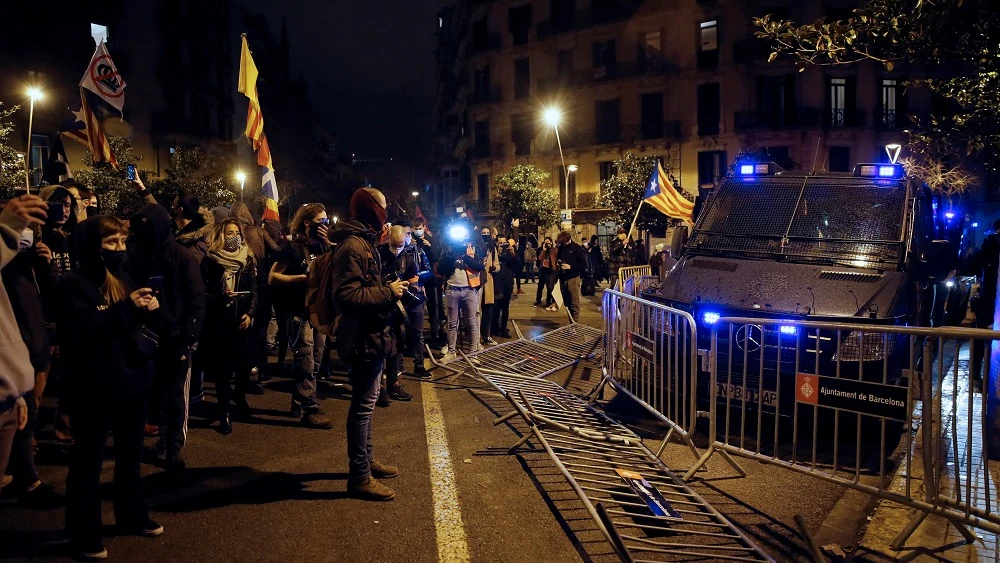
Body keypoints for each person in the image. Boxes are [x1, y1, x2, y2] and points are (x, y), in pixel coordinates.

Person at [57, 215, 163, 560]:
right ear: (92, 246)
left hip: (132, 382)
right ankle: (83, 533)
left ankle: (131, 515)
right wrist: (126, 310)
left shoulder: (123, 277)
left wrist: (149, 309)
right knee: (88, 463)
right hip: (94, 387)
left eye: (121, 242)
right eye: (111, 243)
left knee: (130, 458)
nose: (119, 249)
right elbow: (83, 331)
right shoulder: (71, 284)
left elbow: (131, 324)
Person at [330, 188, 409, 501]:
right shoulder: (352, 246)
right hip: (362, 337)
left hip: (371, 335)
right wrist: (389, 292)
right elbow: (347, 296)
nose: (386, 213)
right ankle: (359, 475)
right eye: (383, 207)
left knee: (368, 402)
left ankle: (367, 460)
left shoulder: (363, 242)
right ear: (372, 209)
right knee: (362, 406)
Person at [126, 203, 206, 471]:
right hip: (145, 337)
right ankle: (154, 439)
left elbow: (196, 298)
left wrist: (188, 336)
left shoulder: (181, 257)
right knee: (150, 393)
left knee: (175, 396)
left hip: (175, 338)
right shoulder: (136, 256)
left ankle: (173, 446)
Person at [0, 220, 61, 507]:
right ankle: (24, 479)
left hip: (36, 351)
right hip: (17, 359)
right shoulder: (6, 268)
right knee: (18, 421)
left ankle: (24, 477)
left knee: (28, 419)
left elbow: (51, 297)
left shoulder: (30, 265)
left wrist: (46, 265)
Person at [269, 203, 334, 429]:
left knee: (314, 360)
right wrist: (301, 279)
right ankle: (309, 409)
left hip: (319, 311)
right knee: (304, 358)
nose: (325, 226)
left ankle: (299, 401)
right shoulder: (293, 248)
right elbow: (273, 277)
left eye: (327, 221)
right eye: (321, 221)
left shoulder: (326, 248)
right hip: (297, 311)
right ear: (307, 223)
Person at [201, 220, 258, 435]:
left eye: (236, 232)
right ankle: (224, 411)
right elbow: (204, 294)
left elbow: (253, 290)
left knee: (245, 366)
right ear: (221, 235)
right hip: (220, 323)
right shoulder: (210, 261)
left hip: (242, 322)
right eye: (229, 232)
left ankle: (240, 395)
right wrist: (220, 297)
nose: (233, 236)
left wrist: (250, 313)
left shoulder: (247, 259)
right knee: (223, 371)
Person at [229, 202, 279, 387]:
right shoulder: (258, 231)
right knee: (261, 328)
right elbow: (277, 250)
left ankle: (243, 368)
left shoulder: (230, 232)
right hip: (262, 286)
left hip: (240, 287)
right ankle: (261, 367)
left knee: (242, 328)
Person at [377, 226, 418, 407]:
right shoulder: (377, 255)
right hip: (377, 308)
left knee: (395, 348)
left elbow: (415, 282)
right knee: (379, 349)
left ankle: (393, 385)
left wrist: (405, 287)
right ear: (388, 240)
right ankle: (379, 389)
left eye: (400, 246)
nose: (397, 249)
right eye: (394, 245)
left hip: (397, 310)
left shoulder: (407, 259)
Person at [438, 226, 485, 362]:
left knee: (472, 322)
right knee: (452, 323)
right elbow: (441, 269)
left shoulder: (474, 248)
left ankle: (473, 353)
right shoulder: (447, 249)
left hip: (469, 290)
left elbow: (479, 266)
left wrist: (465, 256)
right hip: (452, 290)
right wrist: (452, 256)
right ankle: (451, 351)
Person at [399, 222, 432, 379]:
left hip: (416, 296)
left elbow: (429, 271)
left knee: (418, 333)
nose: (406, 237)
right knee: (397, 332)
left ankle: (419, 365)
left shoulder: (418, 251)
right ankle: (397, 367)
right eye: (404, 234)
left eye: (408, 234)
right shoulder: (391, 252)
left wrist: (417, 276)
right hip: (398, 297)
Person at [412, 219, 443, 344]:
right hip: (415, 276)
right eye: (415, 227)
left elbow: (436, 258)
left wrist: (429, 248)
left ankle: (434, 333)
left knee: (433, 305)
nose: (417, 230)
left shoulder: (431, 240)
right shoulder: (411, 239)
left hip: (430, 277)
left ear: (424, 227)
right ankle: (415, 335)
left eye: (419, 227)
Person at [38, 185, 77, 276]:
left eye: (67, 205)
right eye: (57, 205)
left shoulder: (73, 239)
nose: (63, 210)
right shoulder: (34, 240)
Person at [171, 193, 214, 264]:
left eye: (173, 205)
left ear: (180, 210)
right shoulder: (174, 227)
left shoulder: (197, 239)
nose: (171, 207)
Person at [556, 231, 589, 321]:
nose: (564, 244)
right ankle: (571, 322)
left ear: (568, 239)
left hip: (573, 277)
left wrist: (571, 267)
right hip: (563, 277)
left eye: (565, 242)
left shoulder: (577, 248)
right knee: (567, 302)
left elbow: (583, 264)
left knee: (574, 302)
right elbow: (559, 257)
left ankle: (575, 324)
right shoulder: (562, 248)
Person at [494, 235, 519, 338]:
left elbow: (518, 265)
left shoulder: (509, 253)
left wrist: (513, 253)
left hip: (507, 284)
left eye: (504, 243)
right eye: (500, 243)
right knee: (496, 308)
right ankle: (494, 328)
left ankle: (503, 328)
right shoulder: (494, 252)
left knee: (505, 308)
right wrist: (498, 252)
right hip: (497, 284)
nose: (502, 245)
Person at [479, 227, 499, 346]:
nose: (485, 235)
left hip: (489, 282)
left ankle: (486, 335)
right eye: (483, 233)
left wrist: (495, 267)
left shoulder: (492, 248)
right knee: (476, 312)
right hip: (477, 280)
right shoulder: (476, 246)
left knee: (488, 311)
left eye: (487, 233)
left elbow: (497, 263)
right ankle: (475, 338)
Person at [534, 237, 557, 309]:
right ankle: (538, 301)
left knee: (550, 286)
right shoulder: (542, 250)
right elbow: (540, 258)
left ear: (551, 242)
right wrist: (544, 250)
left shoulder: (554, 250)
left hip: (551, 270)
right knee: (540, 286)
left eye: (549, 242)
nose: (548, 244)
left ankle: (550, 301)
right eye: (546, 242)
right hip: (543, 270)